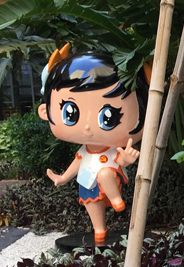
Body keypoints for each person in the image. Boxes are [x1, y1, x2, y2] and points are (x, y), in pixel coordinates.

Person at [37, 45, 149, 246]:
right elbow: (77, 163)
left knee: (104, 174)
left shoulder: (112, 148)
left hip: (112, 176)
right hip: (87, 181)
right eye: (70, 113)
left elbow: (120, 159)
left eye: (109, 116)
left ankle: (116, 200)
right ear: (45, 112)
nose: (88, 126)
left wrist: (126, 160)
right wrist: (63, 178)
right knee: (92, 204)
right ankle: (99, 230)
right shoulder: (84, 151)